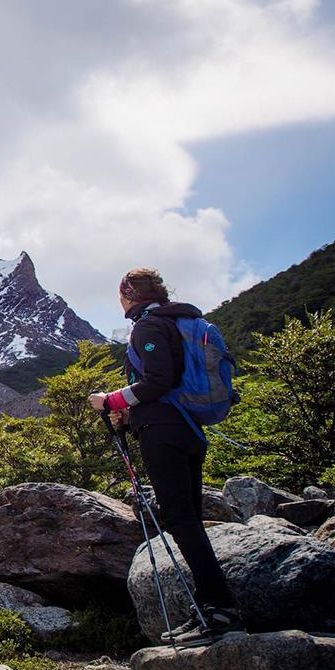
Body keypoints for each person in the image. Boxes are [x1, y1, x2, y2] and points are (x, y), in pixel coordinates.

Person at [89, 268, 244, 644]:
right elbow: (167, 383)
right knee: (188, 519)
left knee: (180, 519)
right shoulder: (180, 320)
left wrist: (111, 400)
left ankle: (218, 608)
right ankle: (215, 604)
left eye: (120, 294)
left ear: (129, 293)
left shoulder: (147, 327)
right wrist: (129, 411)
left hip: (164, 433)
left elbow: (159, 380)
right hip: (188, 430)